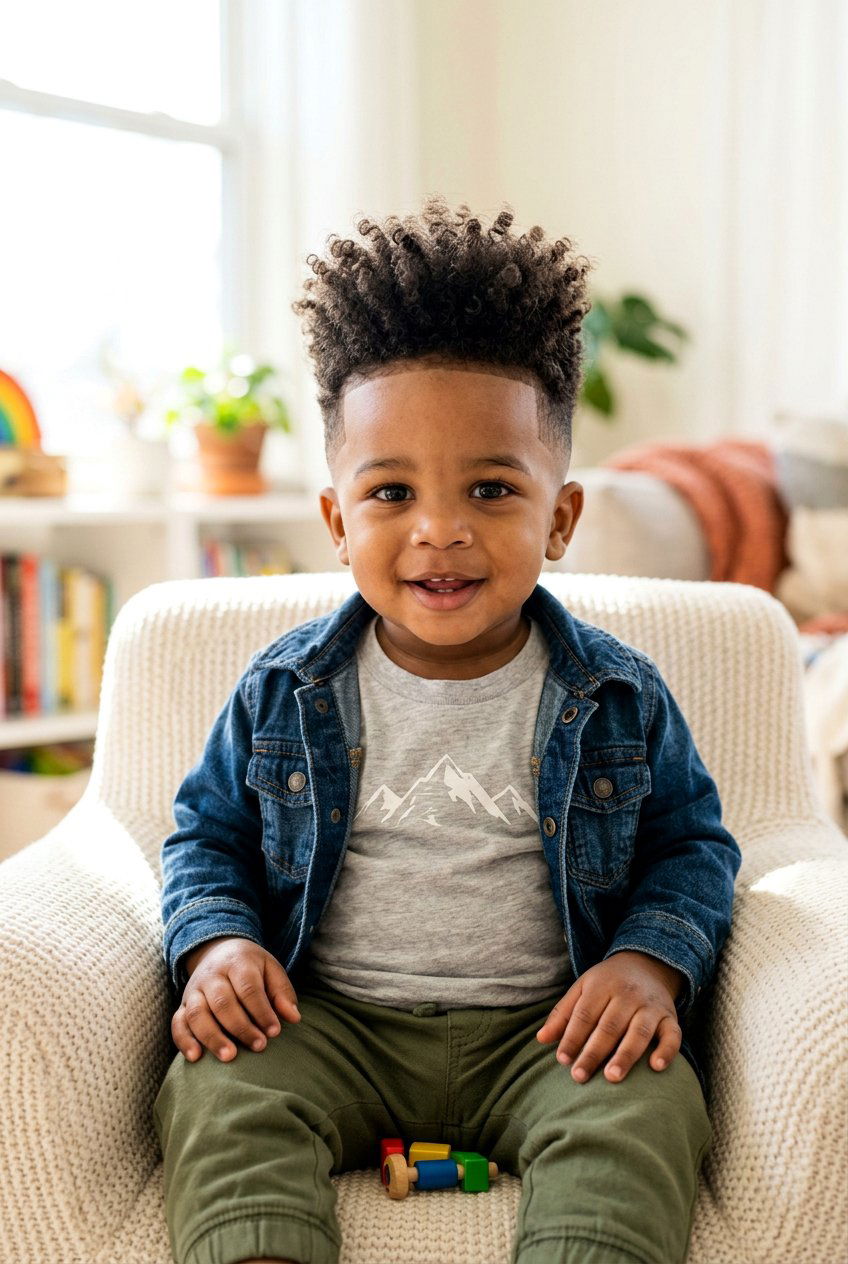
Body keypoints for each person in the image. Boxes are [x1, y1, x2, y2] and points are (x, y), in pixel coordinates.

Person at [153, 197, 742, 1264]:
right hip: (329, 1026)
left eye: (489, 486)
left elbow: (690, 849)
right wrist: (220, 942)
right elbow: (206, 835)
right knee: (218, 1086)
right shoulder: (284, 690)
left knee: (644, 1107)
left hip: (550, 1033)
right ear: (338, 523)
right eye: (390, 491)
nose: (440, 529)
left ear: (557, 518)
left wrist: (647, 967)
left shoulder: (617, 695)